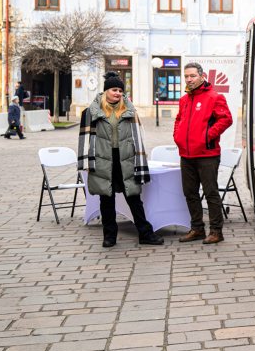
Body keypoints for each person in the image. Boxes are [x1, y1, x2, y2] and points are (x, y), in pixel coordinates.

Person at [77, 73, 163, 248]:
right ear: (106, 91)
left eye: (120, 91)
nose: (118, 93)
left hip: (126, 159)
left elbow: (139, 137)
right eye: (114, 89)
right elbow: (85, 139)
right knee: (106, 199)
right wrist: (86, 164)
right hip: (103, 160)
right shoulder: (91, 112)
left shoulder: (130, 112)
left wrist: (140, 160)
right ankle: (109, 236)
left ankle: (145, 233)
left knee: (134, 198)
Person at [175, 62, 233, 244]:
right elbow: (179, 120)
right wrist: (177, 136)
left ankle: (216, 231)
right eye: (186, 76)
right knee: (190, 193)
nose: (189, 79)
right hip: (186, 155)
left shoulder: (215, 97)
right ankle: (197, 229)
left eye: (192, 76)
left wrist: (208, 136)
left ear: (202, 76)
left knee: (211, 193)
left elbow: (226, 119)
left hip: (207, 155)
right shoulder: (184, 99)